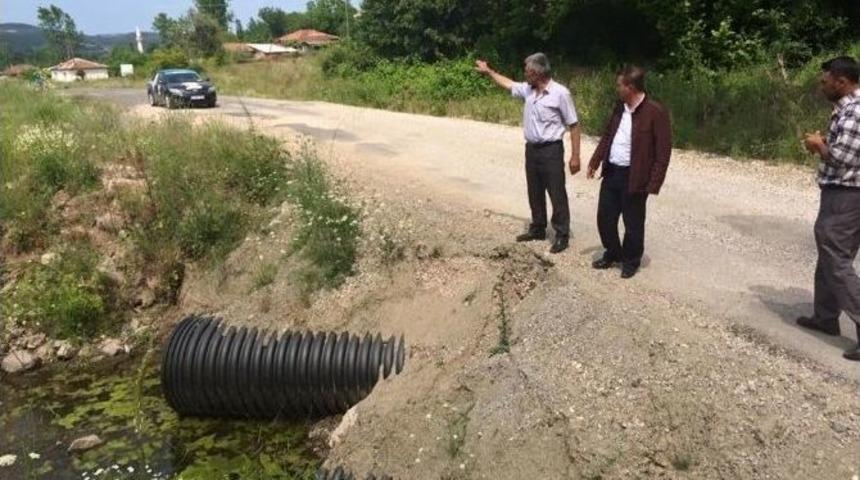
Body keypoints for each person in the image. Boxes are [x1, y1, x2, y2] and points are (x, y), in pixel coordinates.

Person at [475, 53, 581, 254]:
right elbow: (508, 84)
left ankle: (561, 234)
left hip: (551, 150)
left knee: (556, 192)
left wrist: (575, 156)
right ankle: (538, 228)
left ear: (536, 72)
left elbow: (574, 125)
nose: (524, 74)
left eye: (527, 70)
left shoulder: (560, 93)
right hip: (531, 150)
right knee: (534, 190)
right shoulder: (528, 90)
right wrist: (489, 72)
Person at [798, 56, 860, 362]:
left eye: (826, 81)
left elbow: (841, 158)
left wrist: (817, 144)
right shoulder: (847, 109)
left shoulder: (854, 110)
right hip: (842, 192)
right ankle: (825, 316)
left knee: (836, 257)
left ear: (842, 81)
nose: (822, 85)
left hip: (848, 194)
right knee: (829, 252)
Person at [586, 65, 671, 279]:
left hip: (635, 176)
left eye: (619, 85)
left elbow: (663, 151)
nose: (617, 88)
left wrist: (654, 183)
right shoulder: (619, 107)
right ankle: (613, 253)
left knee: (633, 223)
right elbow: (608, 135)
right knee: (605, 218)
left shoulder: (655, 112)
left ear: (630, 87)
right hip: (612, 171)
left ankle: (631, 260)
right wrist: (595, 160)